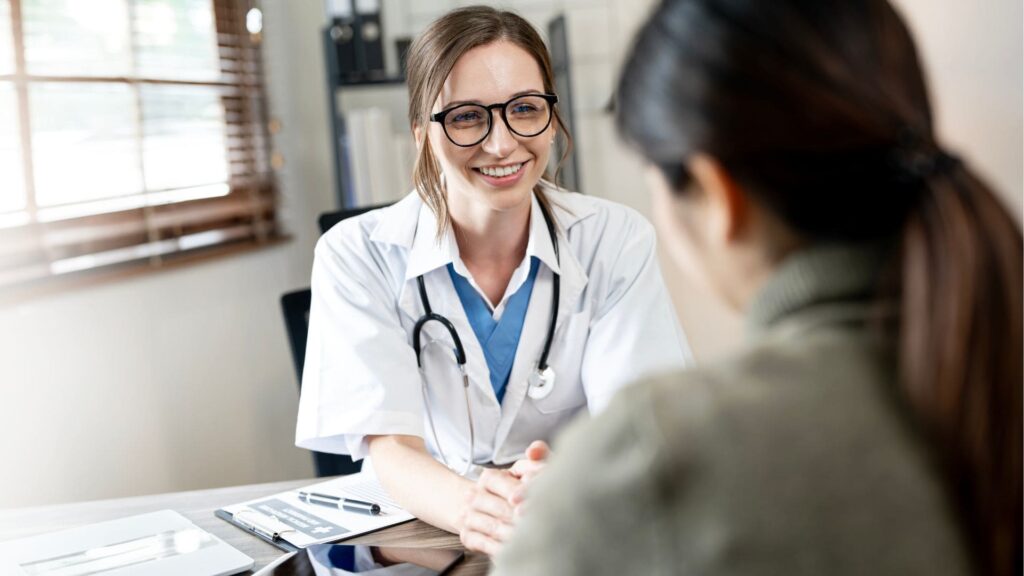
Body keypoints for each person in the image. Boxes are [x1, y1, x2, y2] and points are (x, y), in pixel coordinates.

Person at [494, 0, 1022, 574]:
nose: (501, 143)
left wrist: (578, 498)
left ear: (715, 195)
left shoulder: (654, 459)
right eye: (469, 117)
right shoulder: (989, 363)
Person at [295, 6, 692, 555]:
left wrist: (563, 479)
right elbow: (388, 447)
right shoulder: (358, 253)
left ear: (552, 118)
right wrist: (472, 508)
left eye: (525, 109)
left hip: (571, 521)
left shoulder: (614, 241)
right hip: (423, 533)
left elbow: (637, 424)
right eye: (465, 117)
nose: (502, 144)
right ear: (421, 134)